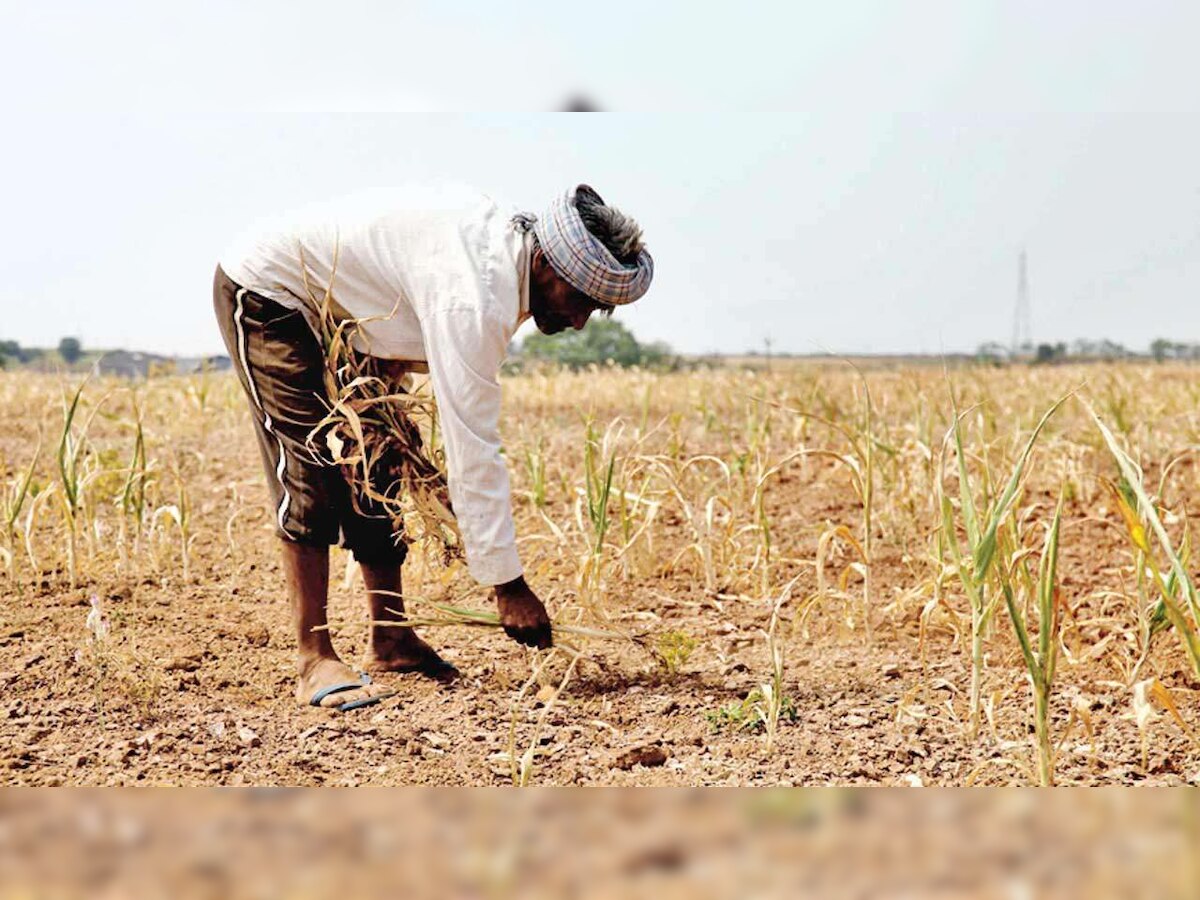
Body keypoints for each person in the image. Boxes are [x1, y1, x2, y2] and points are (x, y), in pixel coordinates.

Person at [213, 183, 654, 711]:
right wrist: (507, 586)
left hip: (351, 313)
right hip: (273, 292)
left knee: (380, 455)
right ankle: (314, 658)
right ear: (544, 263)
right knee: (310, 464)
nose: (579, 320)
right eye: (579, 300)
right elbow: (474, 447)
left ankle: (391, 638)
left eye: (595, 309)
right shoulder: (476, 294)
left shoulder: (501, 269)